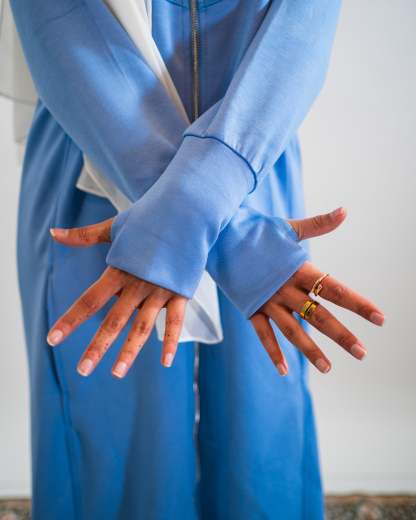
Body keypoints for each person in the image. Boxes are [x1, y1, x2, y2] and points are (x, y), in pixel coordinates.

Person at [5, 0, 384, 519]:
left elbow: (304, 22)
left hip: (257, 150)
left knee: (261, 434)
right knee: (113, 448)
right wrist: (236, 236)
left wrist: (204, 198)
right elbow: (56, 19)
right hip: (97, 157)